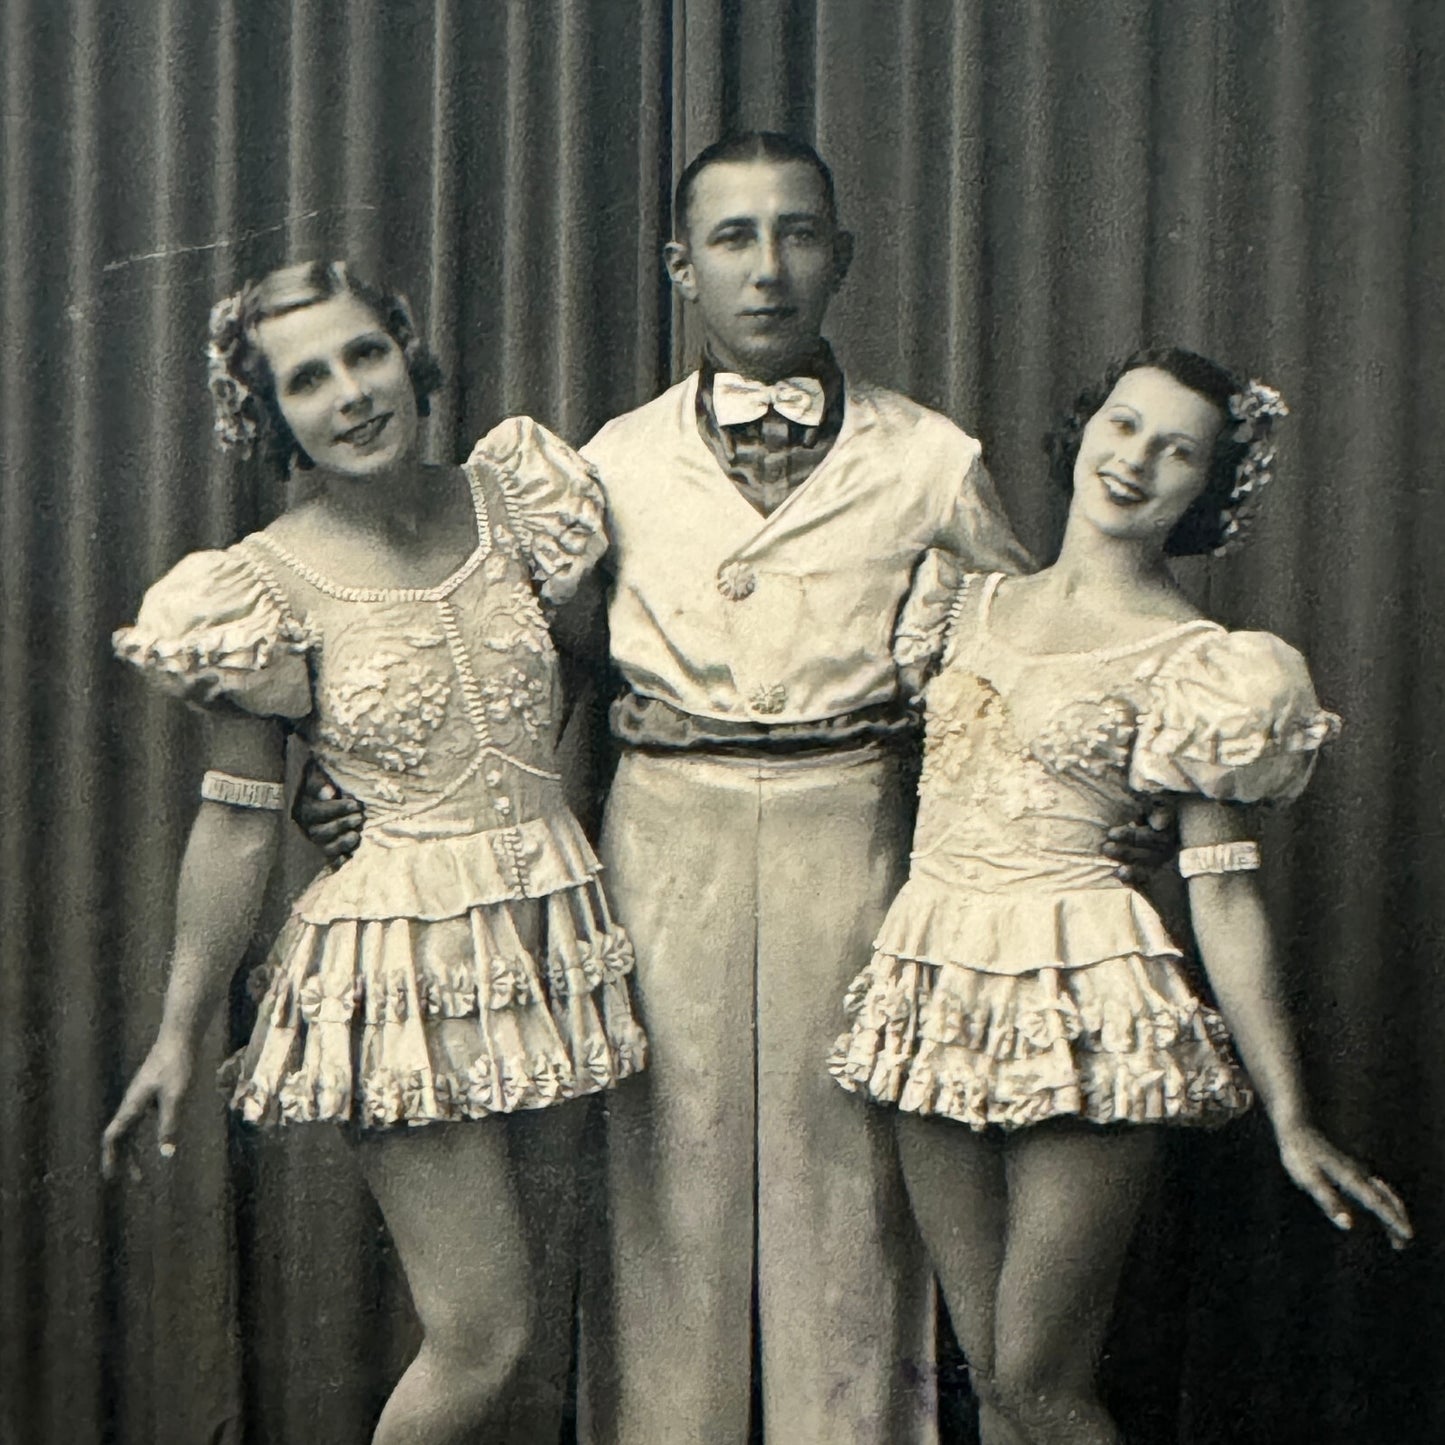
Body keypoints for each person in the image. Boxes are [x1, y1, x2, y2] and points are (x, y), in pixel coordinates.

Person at [297, 132, 1169, 1444]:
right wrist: (386, 795)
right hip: (666, 834)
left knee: (852, 1199)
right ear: (680, 267)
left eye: (796, 234)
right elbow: (525, 664)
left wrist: (1121, 797)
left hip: (853, 828)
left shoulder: (931, 456)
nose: (767, 269)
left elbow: (1025, 651)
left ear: (842, 255)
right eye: (732, 239)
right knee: (665, 1190)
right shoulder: (614, 460)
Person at [99, 260, 648, 1445]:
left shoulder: (520, 503)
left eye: (364, 355)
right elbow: (240, 810)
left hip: (551, 935)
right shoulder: (257, 586)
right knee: (480, 1334)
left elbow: (589, 678)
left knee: (533, 1329)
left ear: (408, 352)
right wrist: (183, 1029)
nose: (348, 394)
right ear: (268, 415)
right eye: (307, 379)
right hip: (398, 967)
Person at [829, 347, 1414, 1445]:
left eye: (1176, 450)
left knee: (1041, 1380)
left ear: (1206, 491)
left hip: (1089, 997)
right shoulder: (961, 602)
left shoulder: (1198, 661)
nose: (1136, 459)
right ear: (1084, 427)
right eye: (1124, 424)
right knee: (994, 1381)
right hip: (933, 983)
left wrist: (1287, 1111)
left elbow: (1223, 892)